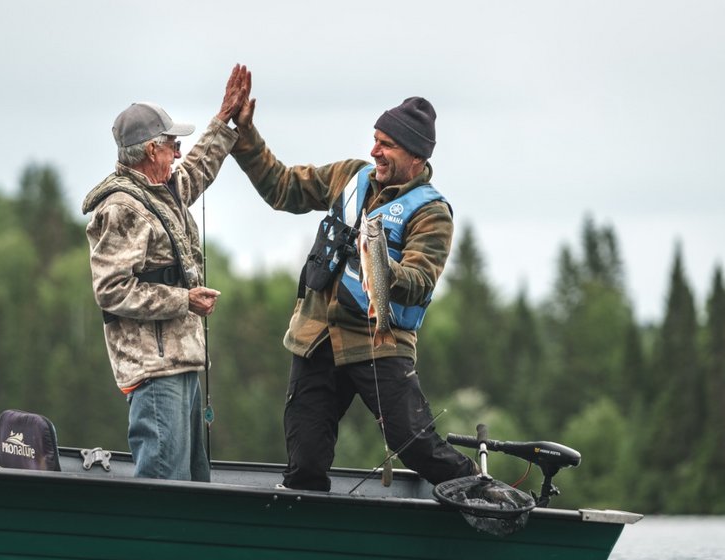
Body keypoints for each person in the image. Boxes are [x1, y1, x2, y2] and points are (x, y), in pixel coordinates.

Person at [229, 93, 476, 491]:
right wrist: (245, 136)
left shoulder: (432, 213)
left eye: (386, 144)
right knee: (305, 461)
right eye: (375, 139)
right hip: (316, 337)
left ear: (415, 155)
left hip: (379, 341)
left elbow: (419, 283)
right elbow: (283, 187)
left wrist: (379, 264)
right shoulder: (350, 175)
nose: (374, 150)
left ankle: (479, 491)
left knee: (413, 444)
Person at [81, 64, 250, 482]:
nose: (178, 151)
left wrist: (224, 120)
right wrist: (183, 300)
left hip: (181, 363)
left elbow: (199, 167)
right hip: (155, 372)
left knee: (193, 485)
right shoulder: (122, 208)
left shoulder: (163, 190)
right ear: (152, 150)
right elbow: (112, 289)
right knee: (164, 488)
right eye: (173, 144)